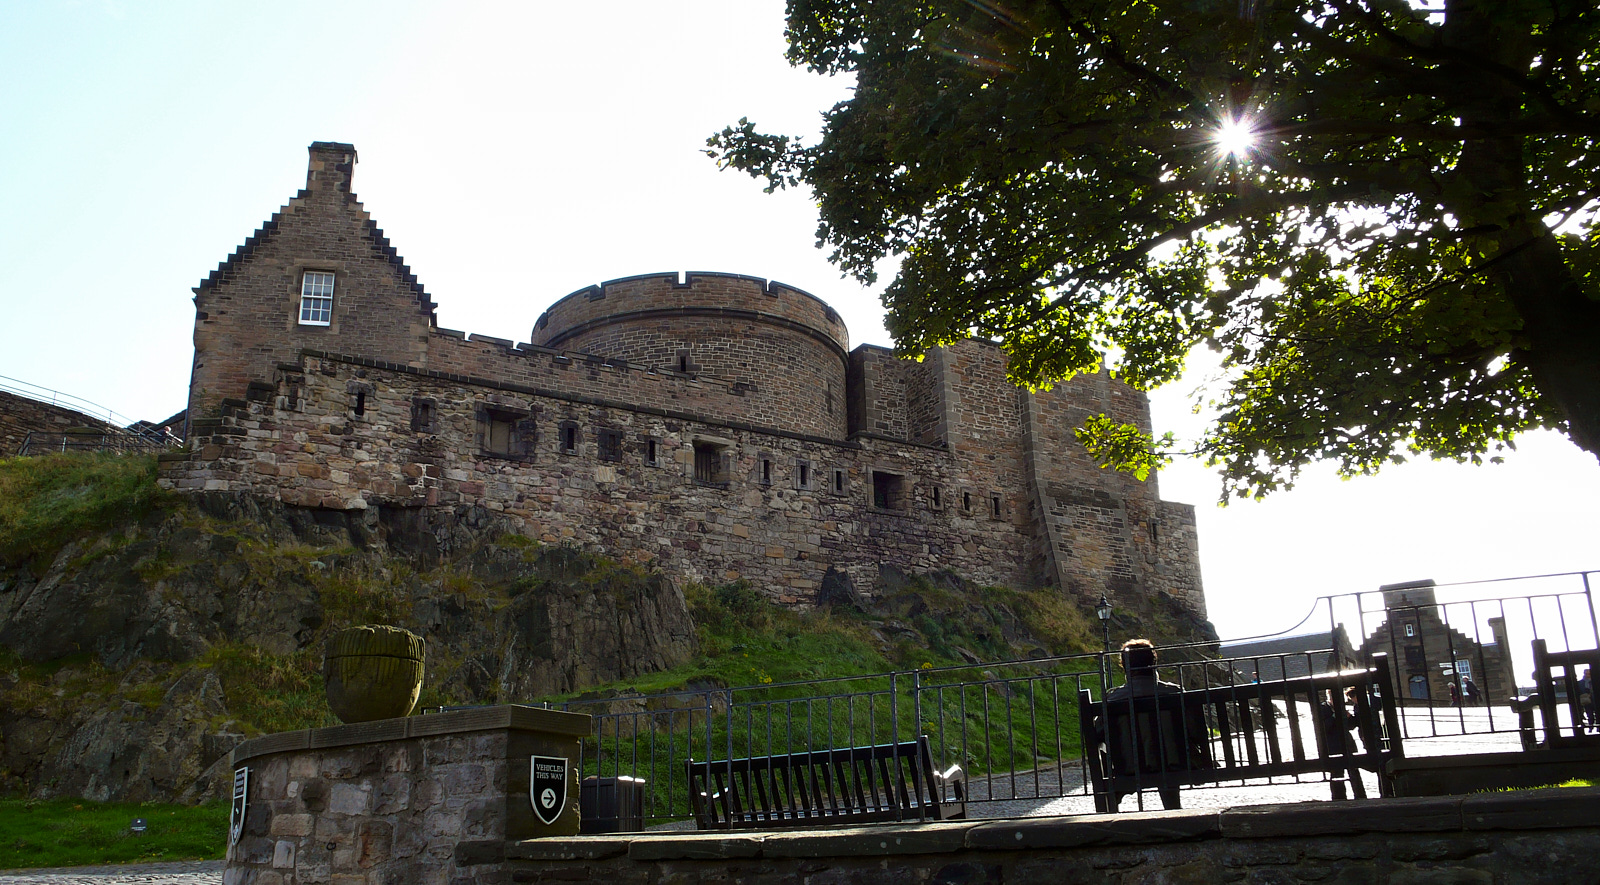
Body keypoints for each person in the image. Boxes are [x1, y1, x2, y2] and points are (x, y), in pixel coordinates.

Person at [1097, 639, 1208, 810]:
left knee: (1138, 759)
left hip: (1128, 768)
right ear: (1153, 663)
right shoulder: (1175, 693)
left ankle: (1110, 812)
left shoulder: (1112, 700)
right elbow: (1197, 731)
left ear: (1125, 667)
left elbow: (1099, 736)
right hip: (1175, 764)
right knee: (1165, 756)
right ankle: (1173, 809)